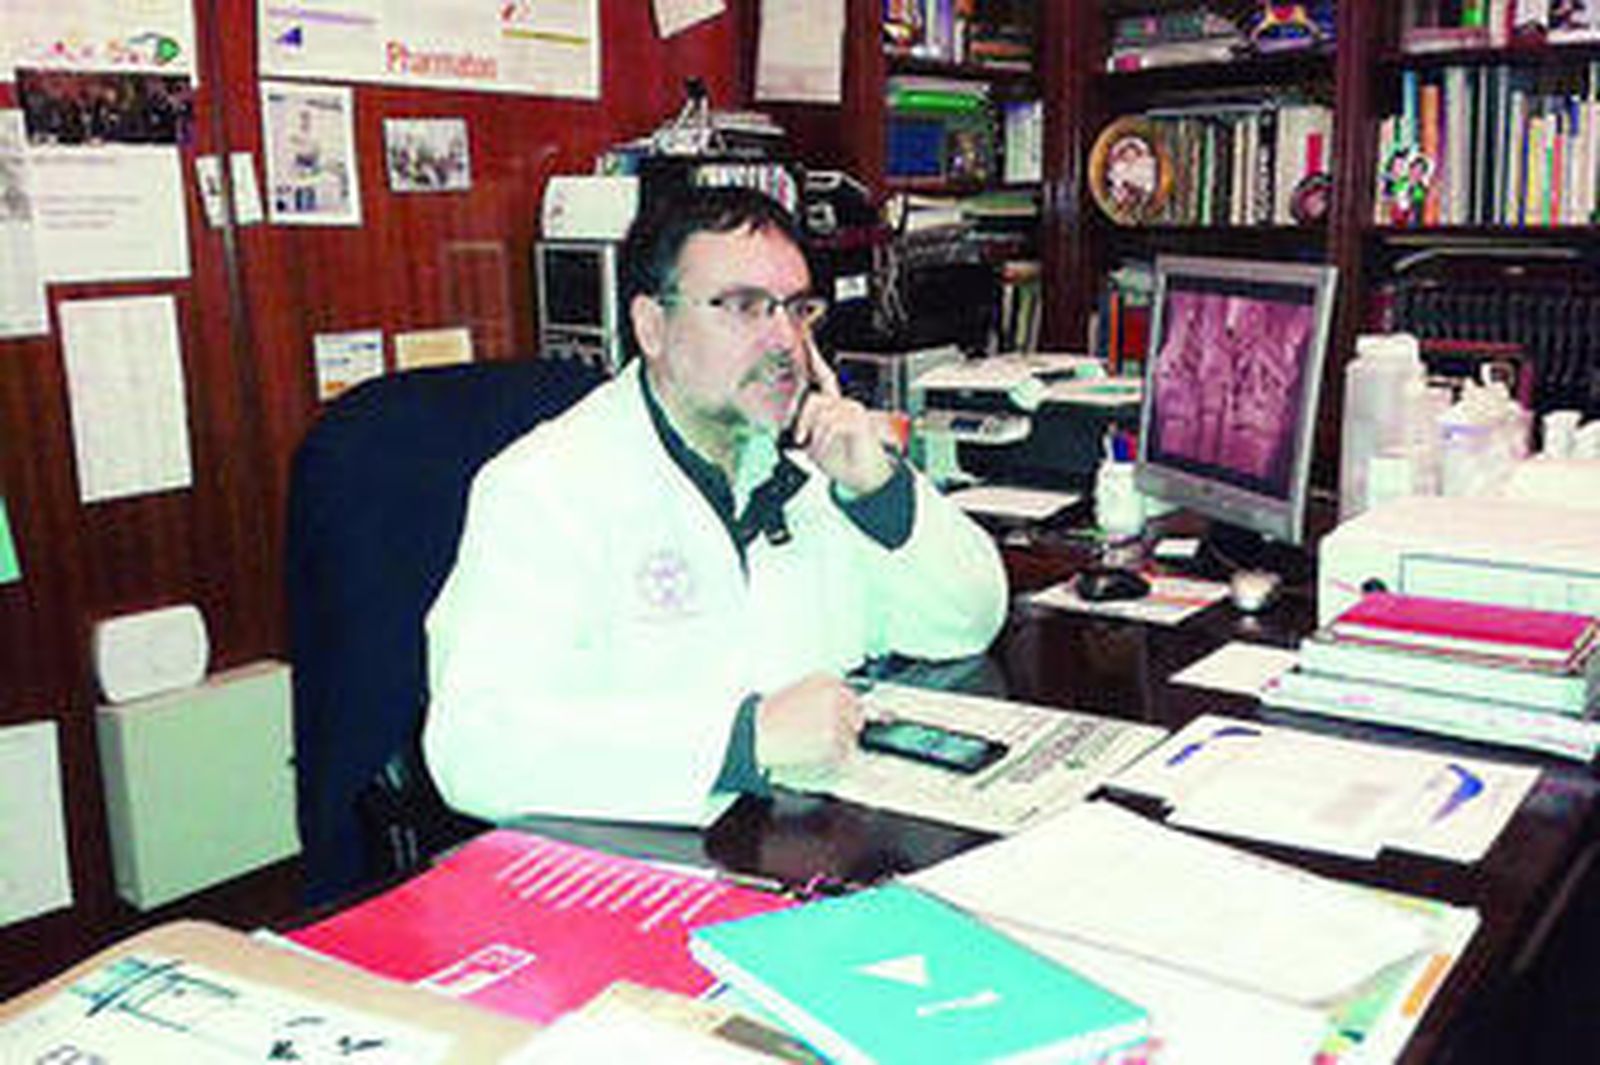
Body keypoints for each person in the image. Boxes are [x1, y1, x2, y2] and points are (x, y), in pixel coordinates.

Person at [422, 186, 1007, 825]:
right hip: (632, 855)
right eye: (744, 307)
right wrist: (742, 741)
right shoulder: (546, 488)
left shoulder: (814, 462)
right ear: (652, 326)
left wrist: (880, 491)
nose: (785, 341)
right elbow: (473, 748)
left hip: (796, 834)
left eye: (797, 310)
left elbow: (966, 624)